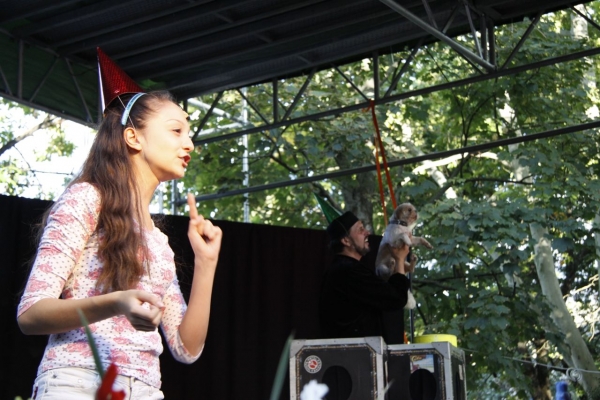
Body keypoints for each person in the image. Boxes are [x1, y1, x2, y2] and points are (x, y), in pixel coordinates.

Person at [16, 48, 222, 399]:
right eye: (176, 130)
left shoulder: (158, 242)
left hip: (145, 390)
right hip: (78, 382)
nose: (189, 143)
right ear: (133, 137)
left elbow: (186, 349)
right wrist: (116, 303)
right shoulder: (86, 199)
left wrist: (206, 262)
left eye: (189, 133)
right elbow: (31, 313)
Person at [319, 211, 411, 342]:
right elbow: (396, 298)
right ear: (346, 240)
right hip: (355, 352)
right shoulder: (348, 271)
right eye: (360, 229)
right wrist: (400, 259)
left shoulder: (343, 269)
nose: (367, 232)